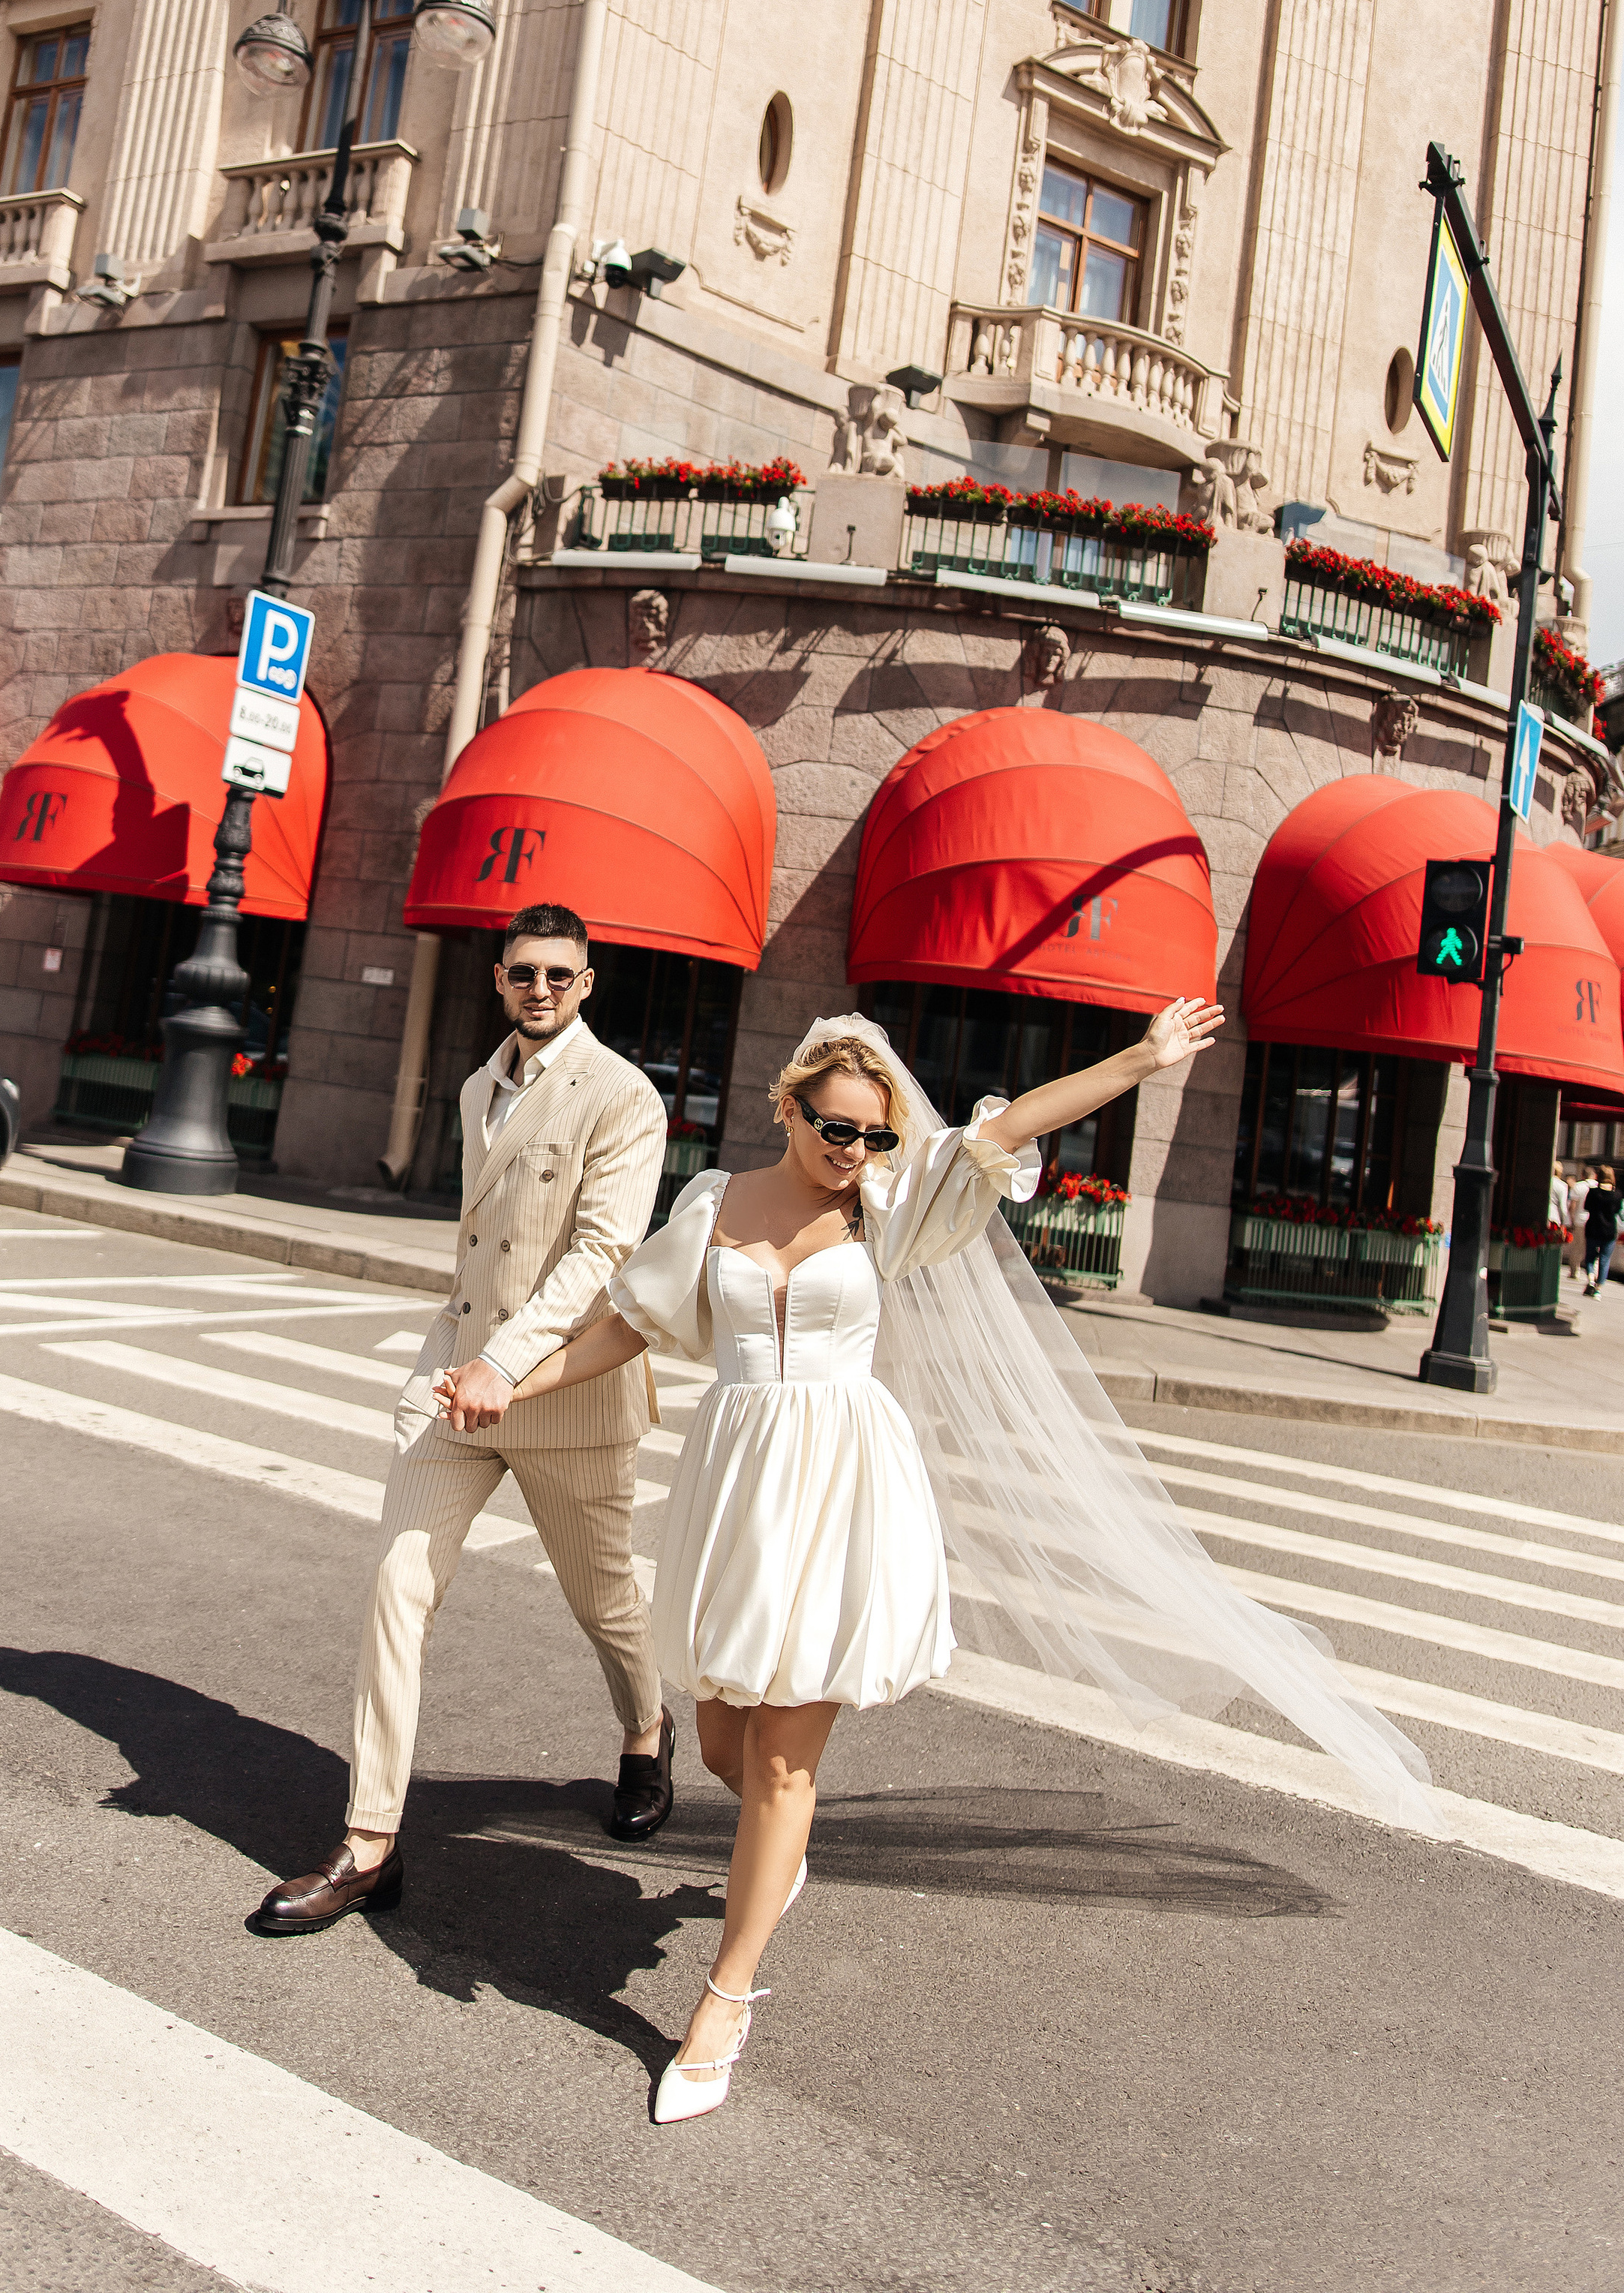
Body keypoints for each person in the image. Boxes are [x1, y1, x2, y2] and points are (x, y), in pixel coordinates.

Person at [445, 1002, 1439, 2122]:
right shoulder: (713, 1203)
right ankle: (780, 1851)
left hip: (841, 1485)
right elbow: (629, 1324)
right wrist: (508, 1381)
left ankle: (724, 2003)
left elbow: (1009, 1129)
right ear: (787, 1109)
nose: (854, 1150)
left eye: (873, 1134)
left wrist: (1141, 1059)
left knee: (781, 1763)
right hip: (739, 1482)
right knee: (723, 1738)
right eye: (835, 1128)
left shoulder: (887, 1205)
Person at [251, 902, 671, 1934]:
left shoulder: (623, 1094)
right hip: (455, 1390)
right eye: (524, 972)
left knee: (605, 1604)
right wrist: (461, 1366)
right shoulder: (482, 1083)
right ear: (498, 979)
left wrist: (505, 1365)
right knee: (396, 1590)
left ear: (587, 983)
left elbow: (602, 1254)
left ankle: (647, 1728)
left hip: (563, 1397)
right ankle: (369, 1845)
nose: (541, 989)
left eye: (560, 974)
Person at [1583, 1162, 1619, 1299]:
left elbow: (1587, 1207)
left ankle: (1591, 1280)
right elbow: (1617, 1211)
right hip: (1609, 1231)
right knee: (1604, 1259)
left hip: (1593, 1228)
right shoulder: (1617, 1195)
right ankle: (1598, 1289)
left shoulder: (1593, 1192)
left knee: (1590, 1257)